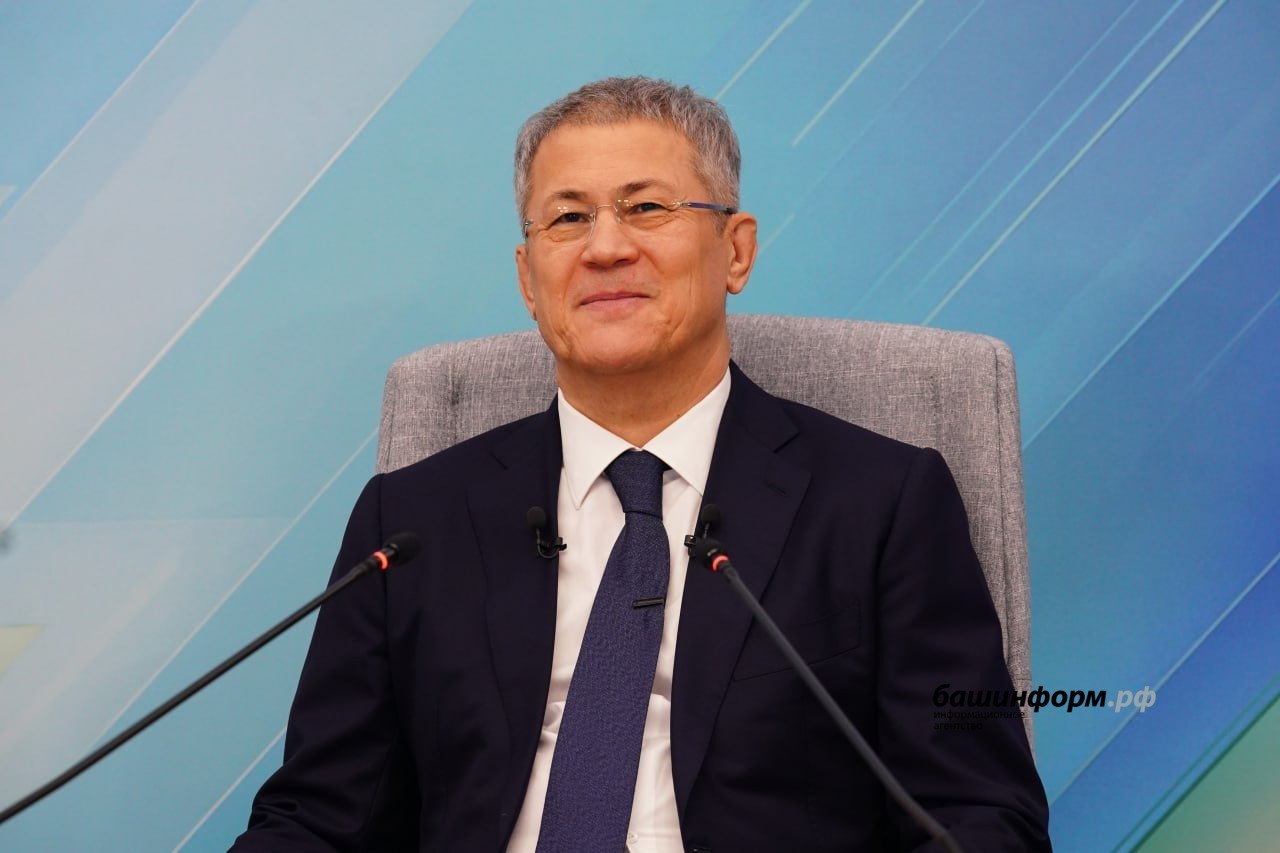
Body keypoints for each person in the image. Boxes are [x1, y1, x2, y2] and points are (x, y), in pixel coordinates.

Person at [234, 77, 1050, 851]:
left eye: (646, 207)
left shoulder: (880, 503)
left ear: (736, 250)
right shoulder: (412, 523)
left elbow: (978, 813)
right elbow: (319, 818)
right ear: (527, 278)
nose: (604, 247)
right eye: (567, 218)